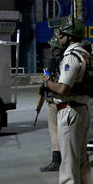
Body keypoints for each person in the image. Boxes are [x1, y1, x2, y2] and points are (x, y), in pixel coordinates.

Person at [41, 17, 93, 184]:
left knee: (68, 166)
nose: (58, 38)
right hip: (81, 111)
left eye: (61, 34)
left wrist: (47, 83)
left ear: (69, 36)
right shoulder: (85, 54)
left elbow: (63, 89)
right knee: (82, 164)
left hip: (70, 112)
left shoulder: (72, 57)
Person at [39, 35, 65, 172]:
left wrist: (44, 85)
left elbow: (46, 79)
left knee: (54, 131)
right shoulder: (69, 60)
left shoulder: (53, 62)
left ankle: (56, 160)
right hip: (67, 100)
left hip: (55, 100)